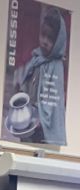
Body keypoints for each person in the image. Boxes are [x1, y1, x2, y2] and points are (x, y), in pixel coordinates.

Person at [13, 5, 67, 145]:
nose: (44, 41)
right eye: (43, 35)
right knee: (24, 144)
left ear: (58, 41)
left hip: (42, 125)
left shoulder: (56, 66)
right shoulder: (37, 56)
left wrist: (39, 116)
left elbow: (53, 99)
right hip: (29, 115)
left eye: (50, 38)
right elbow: (27, 80)